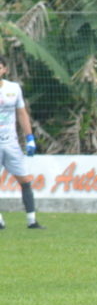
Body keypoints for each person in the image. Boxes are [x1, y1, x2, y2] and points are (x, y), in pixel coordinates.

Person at [0, 55, 43, 230]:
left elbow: (21, 113)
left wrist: (30, 138)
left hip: (11, 143)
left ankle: (32, 221)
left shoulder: (14, 89)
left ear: (5, 69)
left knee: (25, 180)